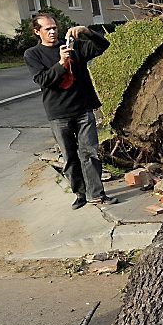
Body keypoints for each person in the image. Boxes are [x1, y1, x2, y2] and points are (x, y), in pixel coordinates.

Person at [23, 15, 118, 209]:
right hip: (58, 113)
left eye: (54, 28)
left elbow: (103, 45)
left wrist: (87, 32)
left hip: (83, 109)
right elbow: (42, 80)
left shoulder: (74, 47)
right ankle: (80, 194)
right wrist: (60, 63)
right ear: (37, 31)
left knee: (90, 153)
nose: (52, 32)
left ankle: (97, 194)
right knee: (70, 157)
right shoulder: (33, 54)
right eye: (47, 29)